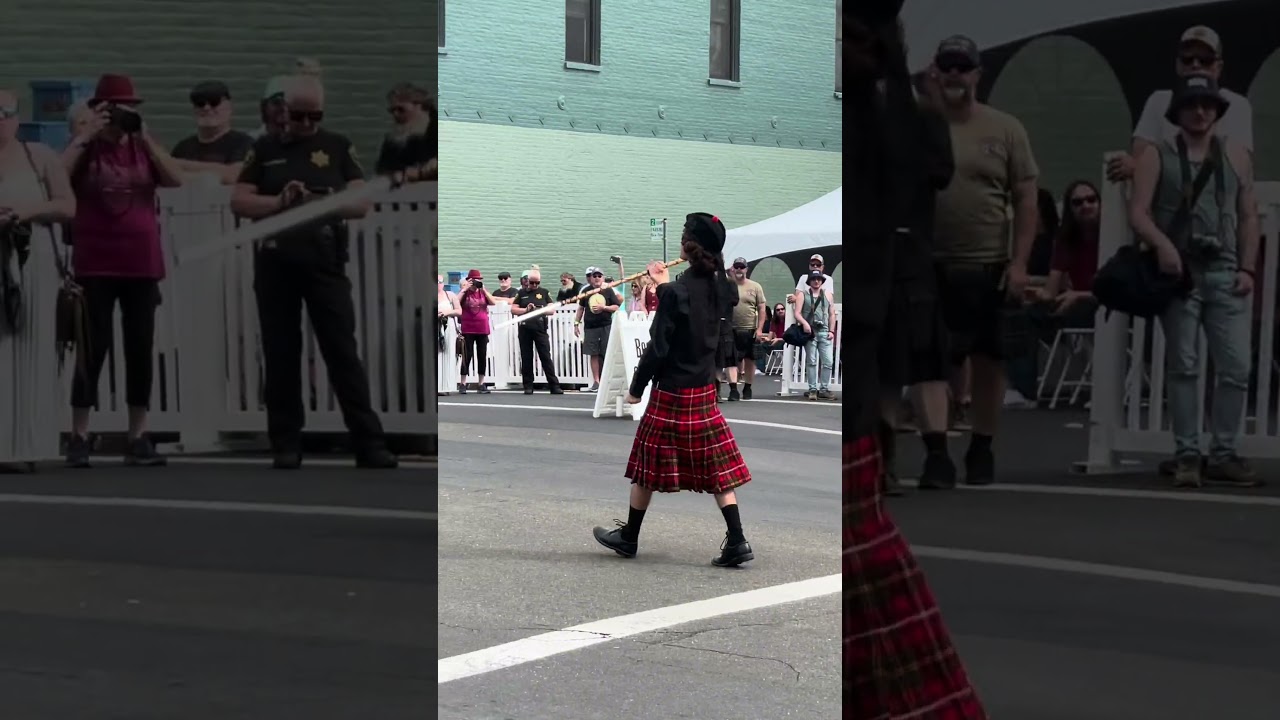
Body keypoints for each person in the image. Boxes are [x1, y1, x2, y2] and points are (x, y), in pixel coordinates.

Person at [847, 5, 989, 716]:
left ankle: (935, 452)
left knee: (928, 364)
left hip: (912, 257)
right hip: (882, 271)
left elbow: (930, 173)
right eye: (948, 67)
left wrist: (921, 105)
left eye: (965, 68)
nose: (955, 76)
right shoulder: (872, 107)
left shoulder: (907, 118)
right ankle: (892, 453)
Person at [230, 74, 397, 470]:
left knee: (342, 352)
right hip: (275, 261)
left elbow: (361, 203)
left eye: (315, 116)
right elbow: (239, 200)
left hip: (324, 260)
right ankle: (285, 443)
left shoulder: (336, 145)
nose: (307, 124)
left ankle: (369, 443)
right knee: (281, 353)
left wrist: (319, 200)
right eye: (300, 115)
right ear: (285, 111)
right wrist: (279, 202)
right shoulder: (264, 148)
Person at [592, 213, 753, 567]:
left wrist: (636, 389)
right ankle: (737, 540)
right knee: (716, 467)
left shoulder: (678, 293)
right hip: (704, 391)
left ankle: (630, 537)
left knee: (647, 464)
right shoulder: (725, 289)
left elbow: (658, 347)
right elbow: (696, 302)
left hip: (672, 391)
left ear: (686, 247)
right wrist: (665, 286)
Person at [1129, 74, 1260, 488]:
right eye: (1191, 104)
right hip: (1181, 272)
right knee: (1183, 365)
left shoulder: (1236, 154)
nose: (1200, 111)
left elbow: (1247, 215)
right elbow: (1139, 211)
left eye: (1207, 104)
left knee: (1237, 366)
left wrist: (1248, 267)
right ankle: (1187, 452)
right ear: (1178, 111)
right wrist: (1163, 247)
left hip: (1223, 270)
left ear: (1218, 110)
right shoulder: (1158, 153)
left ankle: (1223, 451)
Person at [62, 73, 186, 469]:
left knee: (139, 347)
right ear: (99, 109)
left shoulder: (141, 146)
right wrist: (86, 135)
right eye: (114, 108)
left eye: (128, 108)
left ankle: (139, 433)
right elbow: (55, 178)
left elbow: (175, 179)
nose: (121, 116)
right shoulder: (86, 148)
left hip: (140, 262)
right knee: (91, 349)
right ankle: (80, 433)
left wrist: (146, 137)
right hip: (96, 261)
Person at [0, 89, 76, 467]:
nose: (0, 121)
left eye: (6, 114)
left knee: (35, 346)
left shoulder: (40, 156)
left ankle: (34, 442)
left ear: (16, 119)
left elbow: (67, 205)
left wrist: (28, 210)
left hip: (33, 262)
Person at [510, 265, 563, 394]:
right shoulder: (521, 293)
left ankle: (554, 385)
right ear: (527, 281)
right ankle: (528, 385)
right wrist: (526, 310)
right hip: (525, 328)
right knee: (526, 357)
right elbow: (513, 309)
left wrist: (539, 309)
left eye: (537, 283)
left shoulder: (544, 292)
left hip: (540, 328)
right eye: (532, 282)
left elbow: (551, 310)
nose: (534, 285)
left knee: (545, 356)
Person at [454, 268, 496, 394]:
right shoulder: (465, 292)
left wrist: (483, 289)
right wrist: (465, 289)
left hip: (482, 328)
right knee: (467, 355)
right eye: (473, 280)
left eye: (478, 280)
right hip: (468, 328)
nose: (476, 283)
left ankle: (481, 383)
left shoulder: (483, 291)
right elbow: (455, 301)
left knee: (482, 355)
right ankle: (463, 383)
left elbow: (493, 302)